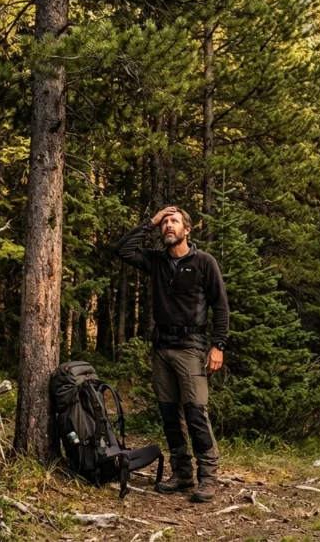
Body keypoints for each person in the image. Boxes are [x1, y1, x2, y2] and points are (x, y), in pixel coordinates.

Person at [114, 206, 229, 503]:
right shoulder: (156, 261)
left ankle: (208, 477)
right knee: (169, 414)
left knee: (195, 412)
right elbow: (123, 249)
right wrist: (149, 221)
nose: (168, 225)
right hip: (161, 348)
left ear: (187, 230)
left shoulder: (204, 262)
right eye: (164, 222)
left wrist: (218, 346)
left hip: (191, 348)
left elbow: (221, 306)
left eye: (174, 221)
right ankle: (182, 473)